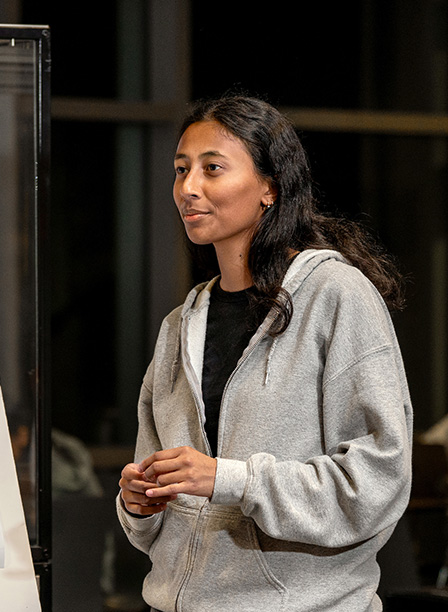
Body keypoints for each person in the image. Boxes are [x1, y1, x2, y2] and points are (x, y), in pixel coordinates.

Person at [117, 95, 412, 611]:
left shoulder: (335, 295)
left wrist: (230, 478)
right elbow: (156, 520)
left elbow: (376, 481)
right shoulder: (178, 326)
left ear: (271, 187)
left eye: (212, 169)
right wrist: (139, 505)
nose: (188, 188)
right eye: (181, 170)